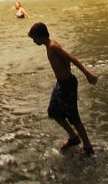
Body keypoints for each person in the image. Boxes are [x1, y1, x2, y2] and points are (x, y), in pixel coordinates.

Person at [28, 21, 97, 156]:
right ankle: (73, 137)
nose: (34, 41)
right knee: (53, 112)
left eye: (34, 38)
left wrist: (87, 73)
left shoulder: (53, 46)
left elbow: (72, 58)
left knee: (74, 117)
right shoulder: (49, 45)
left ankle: (88, 147)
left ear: (40, 36)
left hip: (67, 85)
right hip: (60, 84)